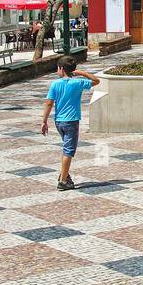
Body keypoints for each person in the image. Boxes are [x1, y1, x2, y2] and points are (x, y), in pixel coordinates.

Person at [40, 55, 100, 189]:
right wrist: (81, 73)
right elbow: (96, 81)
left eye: (57, 68)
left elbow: (49, 103)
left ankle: (65, 174)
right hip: (71, 121)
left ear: (61, 69)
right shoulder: (78, 82)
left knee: (67, 147)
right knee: (68, 150)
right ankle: (63, 180)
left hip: (59, 122)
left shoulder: (55, 84)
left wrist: (44, 121)